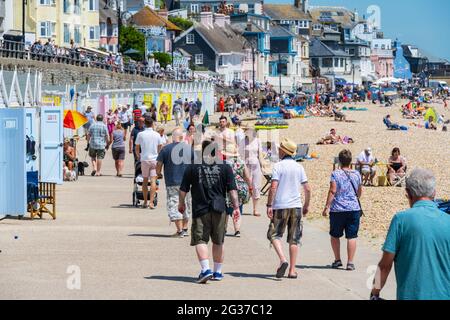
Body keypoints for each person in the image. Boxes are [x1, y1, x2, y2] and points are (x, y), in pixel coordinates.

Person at [370, 168, 450, 300]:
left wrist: (374, 292)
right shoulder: (448, 220)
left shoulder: (400, 220)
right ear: (434, 193)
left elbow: (384, 266)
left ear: (407, 193)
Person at [178, 140, 240, 283]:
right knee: (219, 241)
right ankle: (217, 272)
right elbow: (232, 190)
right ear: (217, 152)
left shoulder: (193, 166)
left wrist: (181, 204)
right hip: (220, 209)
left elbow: (183, 189)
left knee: (200, 239)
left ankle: (206, 269)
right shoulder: (225, 167)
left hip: (200, 209)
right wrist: (236, 208)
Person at [266, 138, 311, 279]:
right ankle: (292, 270)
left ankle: (282, 259)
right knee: (294, 239)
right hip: (296, 206)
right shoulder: (299, 167)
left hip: (280, 205)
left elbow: (273, 187)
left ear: (283, 151)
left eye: (280, 149)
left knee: (273, 234)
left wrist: (269, 205)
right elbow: (308, 189)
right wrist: (306, 205)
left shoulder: (278, 166)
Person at [322, 149, 362, 271]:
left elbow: (333, 190)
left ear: (339, 161)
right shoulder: (357, 174)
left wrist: (326, 206)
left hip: (338, 209)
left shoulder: (336, 174)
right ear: (350, 161)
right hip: (354, 208)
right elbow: (359, 192)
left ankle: (338, 259)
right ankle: (350, 262)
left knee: (335, 235)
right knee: (352, 236)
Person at [156, 128, 193, 237]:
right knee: (186, 204)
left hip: (172, 181)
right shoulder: (188, 149)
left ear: (173, 137)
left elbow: (159, 164)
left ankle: (180, 230)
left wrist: (158, 174)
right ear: (182, 137)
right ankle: (185, 228)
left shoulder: (165, 149)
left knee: (174, 204)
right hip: (187, 182)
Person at [223, 143, 252, 237]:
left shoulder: (225, 163)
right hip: (240, 187)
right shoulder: (241, 162)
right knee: (238, 208)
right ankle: (237, 230)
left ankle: (224, 229)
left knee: (226, 210)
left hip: (228, 187)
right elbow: (247, 177)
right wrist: (250, 187)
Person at [135, 116, 164, 209]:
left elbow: (137, 147)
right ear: (152, 124)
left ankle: (145, 202)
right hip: (154, 159)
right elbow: (160, 147)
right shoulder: (157, 134)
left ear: (144, 124)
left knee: (144, 180)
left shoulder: (141, 134)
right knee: (153, 181)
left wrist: (138, 155)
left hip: (144, 159)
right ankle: (151, 202)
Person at [244, 127, 263, 217]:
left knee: (256, 186)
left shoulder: (258, 140)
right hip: (246, 165)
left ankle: (255, 209)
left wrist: (263, 166)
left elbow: (260, 154)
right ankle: (240, 208)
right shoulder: (243, 141)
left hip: (256, 165)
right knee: (245, 186)